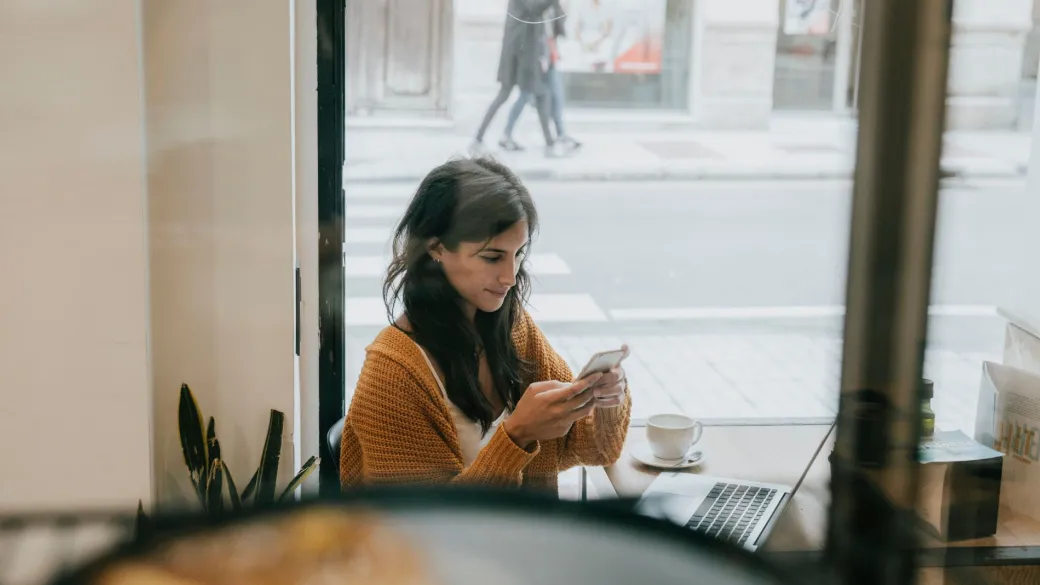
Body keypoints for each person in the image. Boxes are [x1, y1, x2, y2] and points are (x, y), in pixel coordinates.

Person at [339, 158, 631, 491]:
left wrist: (606, 399)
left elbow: (595, 449)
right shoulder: (392, 376)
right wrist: (517, 436)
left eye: (519, 253)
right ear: (436, 247)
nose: (510, 276)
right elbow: (424, 528)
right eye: (492, 257)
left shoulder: (514, 329)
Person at [471, 0, 571, 158]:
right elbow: (534, 8)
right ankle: (479, 139)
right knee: (510, 94)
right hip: (518, 55)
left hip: (526, 53)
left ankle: (549, 143)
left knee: (538, 94)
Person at [500, 7, 581, 152]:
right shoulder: (533, 8)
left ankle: (559, 134)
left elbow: (559, 27)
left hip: (549, 57)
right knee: (525, 96)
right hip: (534, 59)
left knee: (555, 95)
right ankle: (507, 133)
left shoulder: (551, 7)